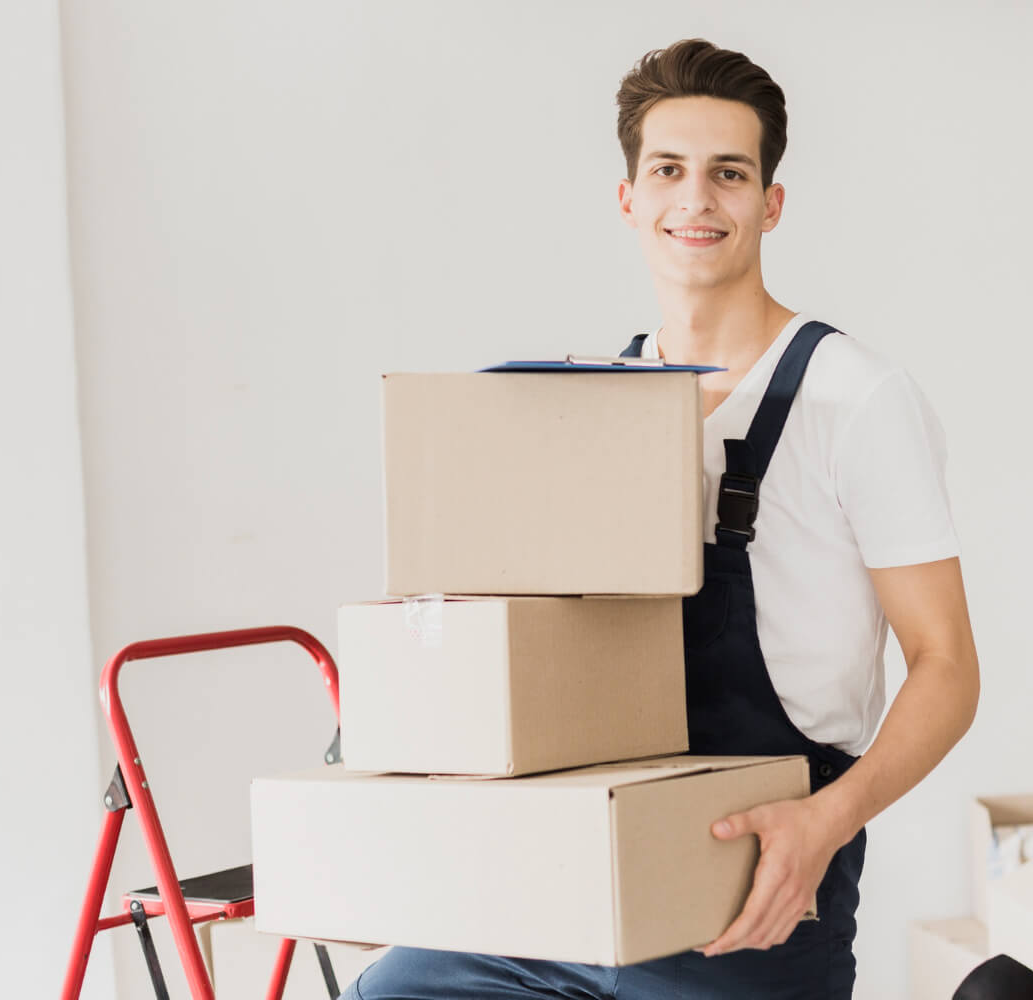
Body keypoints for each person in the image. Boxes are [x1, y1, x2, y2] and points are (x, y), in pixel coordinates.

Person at [344, 37, 980, 1000]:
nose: (697, 200)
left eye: (729, 174)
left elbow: (948, 665)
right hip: (574, 864)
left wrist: (828, 821)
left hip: (754, 881)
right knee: (394, 991)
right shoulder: (594, 405)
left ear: (770, 203)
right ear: (629, 199)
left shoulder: (857, 398)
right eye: (669, 171)